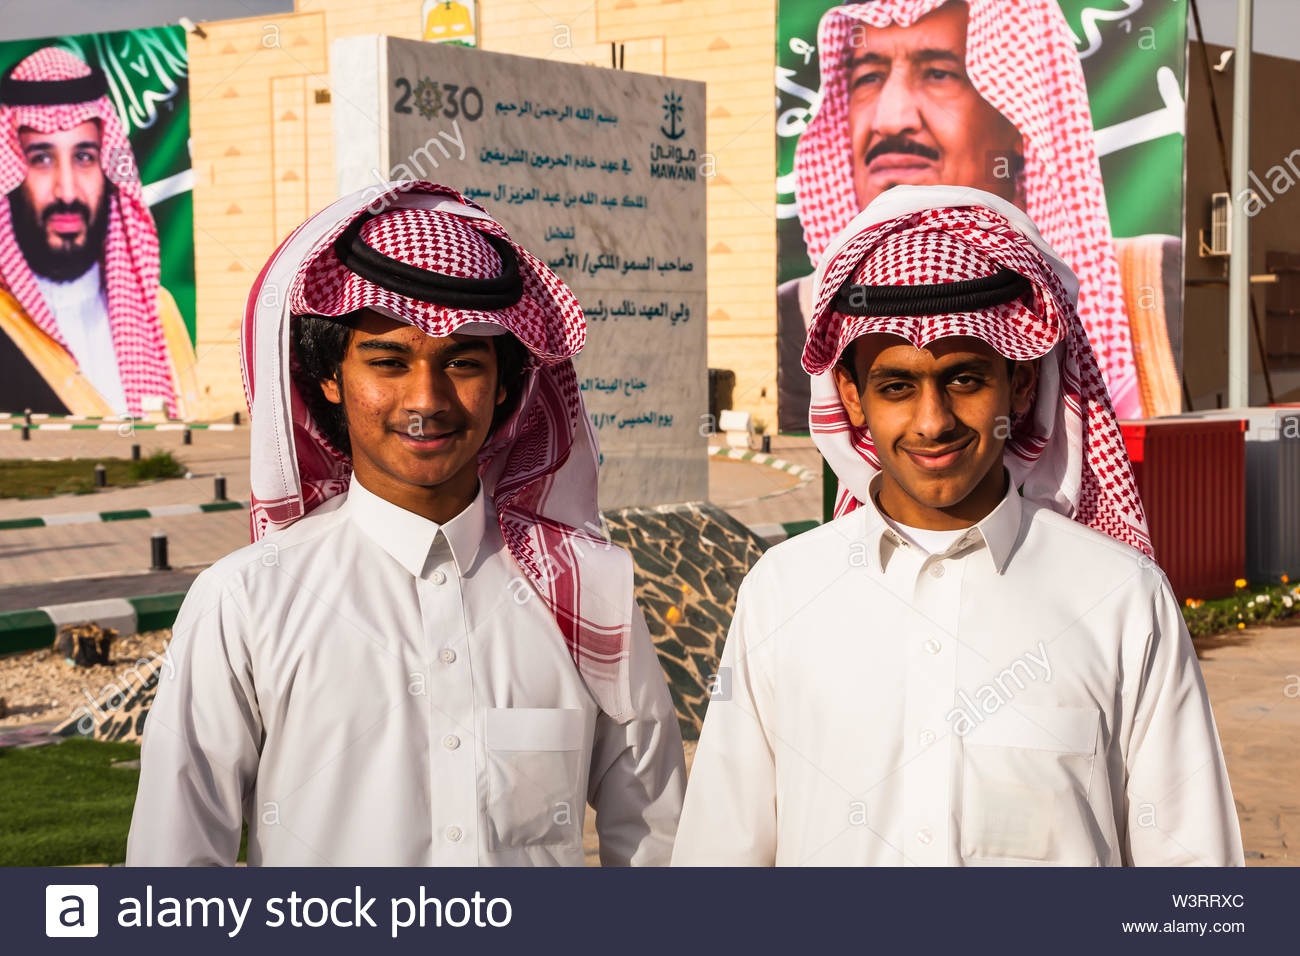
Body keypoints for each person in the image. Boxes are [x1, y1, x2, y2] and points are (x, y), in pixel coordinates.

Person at [675, 185, 1243, 866]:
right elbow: (721, 857)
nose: (933, 421)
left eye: (965, 379)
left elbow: (1191, 876)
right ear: (852, 397)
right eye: (896, 386)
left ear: (1023, 384)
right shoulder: (783, 594)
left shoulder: (1120, 599)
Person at [126, 181, 685, 866]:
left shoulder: (587, 592)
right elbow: (175, 862)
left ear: (505, 385)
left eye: (463, 363)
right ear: (328, 377)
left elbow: (658, 841)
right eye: (389, 362)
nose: (426, 400)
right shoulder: (246, 601)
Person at [779, 0, 1150, 431]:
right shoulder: (800, 316)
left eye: (939, 74)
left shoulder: (1149, 289)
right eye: (869, 78)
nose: (890, 119)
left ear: (1016, 115)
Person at [0, 46, 195, 418]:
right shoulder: (4, 322)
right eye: (41, 158)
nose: (67, 192)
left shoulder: (160, 310)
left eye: (85, 157)